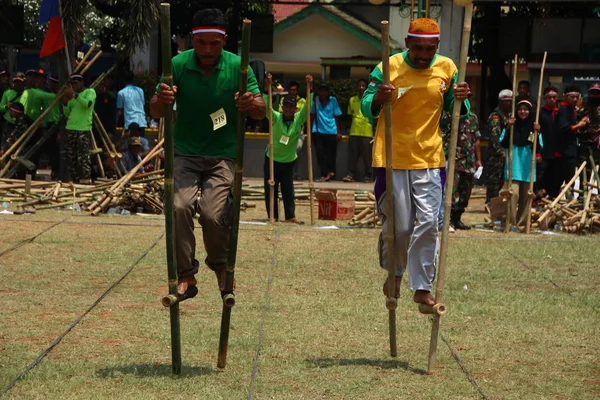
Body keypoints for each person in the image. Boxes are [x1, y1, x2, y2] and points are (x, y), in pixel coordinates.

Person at [150, 8, 265, 296]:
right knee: (178, 207)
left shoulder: (239, 67)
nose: (207, 50)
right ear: (192, 40)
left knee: (213, 215)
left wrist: (249, 103)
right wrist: (162, 99)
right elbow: (154, 108)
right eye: (201, 43)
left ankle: (220, 265)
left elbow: (261, 111)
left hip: (223, 155)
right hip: (185, 153)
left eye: (214, 43)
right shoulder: (177, 64)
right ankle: (186, 273)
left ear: (223, 41)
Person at [361, 18, 470, 307]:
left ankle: (422, 287)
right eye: (418, 47)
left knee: (429, 224)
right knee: (401, 227)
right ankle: (394, 273)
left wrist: (462, 97)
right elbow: (366, 104)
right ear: (407, 43)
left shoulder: (447, 67)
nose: (423, 55)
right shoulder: (389, 65)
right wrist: (378, 97)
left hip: (430, 159)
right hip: (391, 158)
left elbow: (457, 107)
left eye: (429, 49)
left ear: (437, 46)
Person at [263, 74, 312, 224]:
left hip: (289, 161)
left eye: (291, 107)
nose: (288, 109)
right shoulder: (276, 117)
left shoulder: (299, 119)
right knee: (271, 188)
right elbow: (266, 106)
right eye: (286, 106)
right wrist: (267, 87)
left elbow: (308, 107)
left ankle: (290, 216)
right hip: (272, 158)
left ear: (295, 108)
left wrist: (309, 87)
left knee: (288, 189)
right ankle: (273, 215)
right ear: (282, 107)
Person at [499, 100, 542, 228]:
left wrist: (537, 132)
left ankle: (522, 223)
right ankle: (510, 222)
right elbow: (503, 143)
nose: (523, 112)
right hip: (514, 164)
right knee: (513, 193)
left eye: (526, 109)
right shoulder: (511, 126)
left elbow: (539, 147)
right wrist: (508, 127)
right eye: (520, 109)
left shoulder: (534, 127)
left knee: (526, 196)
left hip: (528, 166)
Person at [441, 100, 482, 230]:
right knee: (451, 192)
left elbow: (476, 140)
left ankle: (457, 218)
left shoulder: (473, 117)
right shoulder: (447, 116)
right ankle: (447, 220)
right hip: (454, 159)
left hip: (469, 160)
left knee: (466, 191)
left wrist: (478, 159)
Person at [62, 73, 96, 184]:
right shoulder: (72, 97)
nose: (74, 86)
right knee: (71, 158)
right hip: (70, 128)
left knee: (83, 157)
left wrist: (75, 96)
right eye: (72, 84)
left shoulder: (89, 92)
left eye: (76, 83)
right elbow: (67, 113)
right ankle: (74, 180)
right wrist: (65, 102)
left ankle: (85, 180)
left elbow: (87, 104)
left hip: (83, 129)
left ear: (81, 82)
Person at [555, 84, 589, 193]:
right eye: (572, 97)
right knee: (567, 178)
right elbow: (564, 128)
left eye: (577, 97)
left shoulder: (572, 109)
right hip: (565, 151)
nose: (575, 99)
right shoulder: (564, 109)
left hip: (570, 150)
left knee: (570, 178)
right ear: (565, 97)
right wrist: (580, 125)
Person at [485, 89, 512, 205]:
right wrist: (501, 152)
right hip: (495, 156)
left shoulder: (509, 116)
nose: (509, 104)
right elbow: (494, 137)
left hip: (505, 153)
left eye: (511, 101)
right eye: (506, 101)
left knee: (501, 182)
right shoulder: (495, 116)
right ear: (500, 101)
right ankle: (491, 204)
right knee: (494, 183)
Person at [343, 79, 373, 183]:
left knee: (367, 156)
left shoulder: (370, 100)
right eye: (359, 85)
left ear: (366, 87)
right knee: (353, 155)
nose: (361, 88)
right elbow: (350, 114)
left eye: (363, 86)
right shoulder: (352, 100)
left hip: (367, 131)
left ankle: (368, 176)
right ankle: (351, 174)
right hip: (354, 130)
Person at [311, 83, 342, 181]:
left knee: (331, 154)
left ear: (328, 92)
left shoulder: (333, 100)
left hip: (331, 130)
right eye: (321, 91)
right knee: (320, 153)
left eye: (325, 91)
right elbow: (312, 114)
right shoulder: (315, 100)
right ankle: (324, 174)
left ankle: (331, 173)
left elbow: (337, 116)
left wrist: (338, 131)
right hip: (318, 130)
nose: (323, 93)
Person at [538, 86, 560, 198]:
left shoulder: (560, 113)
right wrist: (537, 152)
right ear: (545, 98)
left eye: (554, 97)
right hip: (543, 152)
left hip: (557, 152)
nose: (552, 100)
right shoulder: (539, 113)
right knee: (541, 176)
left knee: (555, 178)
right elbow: (534, 134)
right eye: (549, 97)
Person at [576, 83, 600, 179]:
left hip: (598, 147)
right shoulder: (582, 110)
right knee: (584, 173)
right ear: (589, 94)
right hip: (585, 146)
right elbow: (576, 129)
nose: (595, 95)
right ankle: (583, 193)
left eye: (597, 93)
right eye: (592, 93)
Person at [42, 76, 61, 179]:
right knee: (50, 150)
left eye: (53, 83)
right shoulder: (46, 95)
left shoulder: (61, 96)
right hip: (47, 124)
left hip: (57, 124)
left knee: (57, 150)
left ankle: (57, 171)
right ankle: (54, 170)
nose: (50, 85)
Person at [0, 73, 25, 139]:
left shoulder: (27, 93)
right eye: (16, 82)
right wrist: (6, 106)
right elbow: (0, 107)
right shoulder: (7, 92)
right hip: (8, 123)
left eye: (19, 82)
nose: (17, 84)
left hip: (21, 123)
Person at [94, 76, 118, 141]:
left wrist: (111, 131)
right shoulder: (93, 97)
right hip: (95, 129)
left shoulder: (110, 96)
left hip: (106, 130)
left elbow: (113, 116)